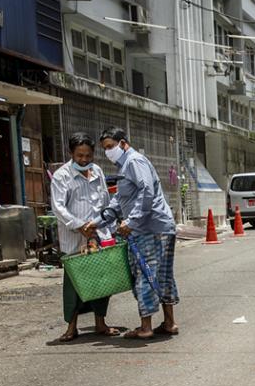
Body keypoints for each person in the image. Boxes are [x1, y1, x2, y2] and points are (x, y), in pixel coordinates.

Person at [95, 127, 179, 341]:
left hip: (150, 228)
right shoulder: (125, 166)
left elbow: (146, 191)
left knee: (145, 274)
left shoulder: (134, 161)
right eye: (105, 149)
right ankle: (169, 323)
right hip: (156, 226)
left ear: (123, 143)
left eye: (110, 147)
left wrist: (131, 221)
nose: (108, 152)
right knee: (162, 275)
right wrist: (99, 221)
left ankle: (145, 327)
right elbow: (121, 199)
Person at [49, 133, 122, 343]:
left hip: (98, 235)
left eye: (88, 155)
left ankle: (100, 322)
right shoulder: (62, 176)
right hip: (74, 238)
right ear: (71, 153)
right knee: (73, 284)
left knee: (102, 280)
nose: (84, 159)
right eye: (79, 155)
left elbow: (105, 201)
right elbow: (59, 207)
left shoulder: (97, 171)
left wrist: (106, 225)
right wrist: (79, 226)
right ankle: (71, 327)